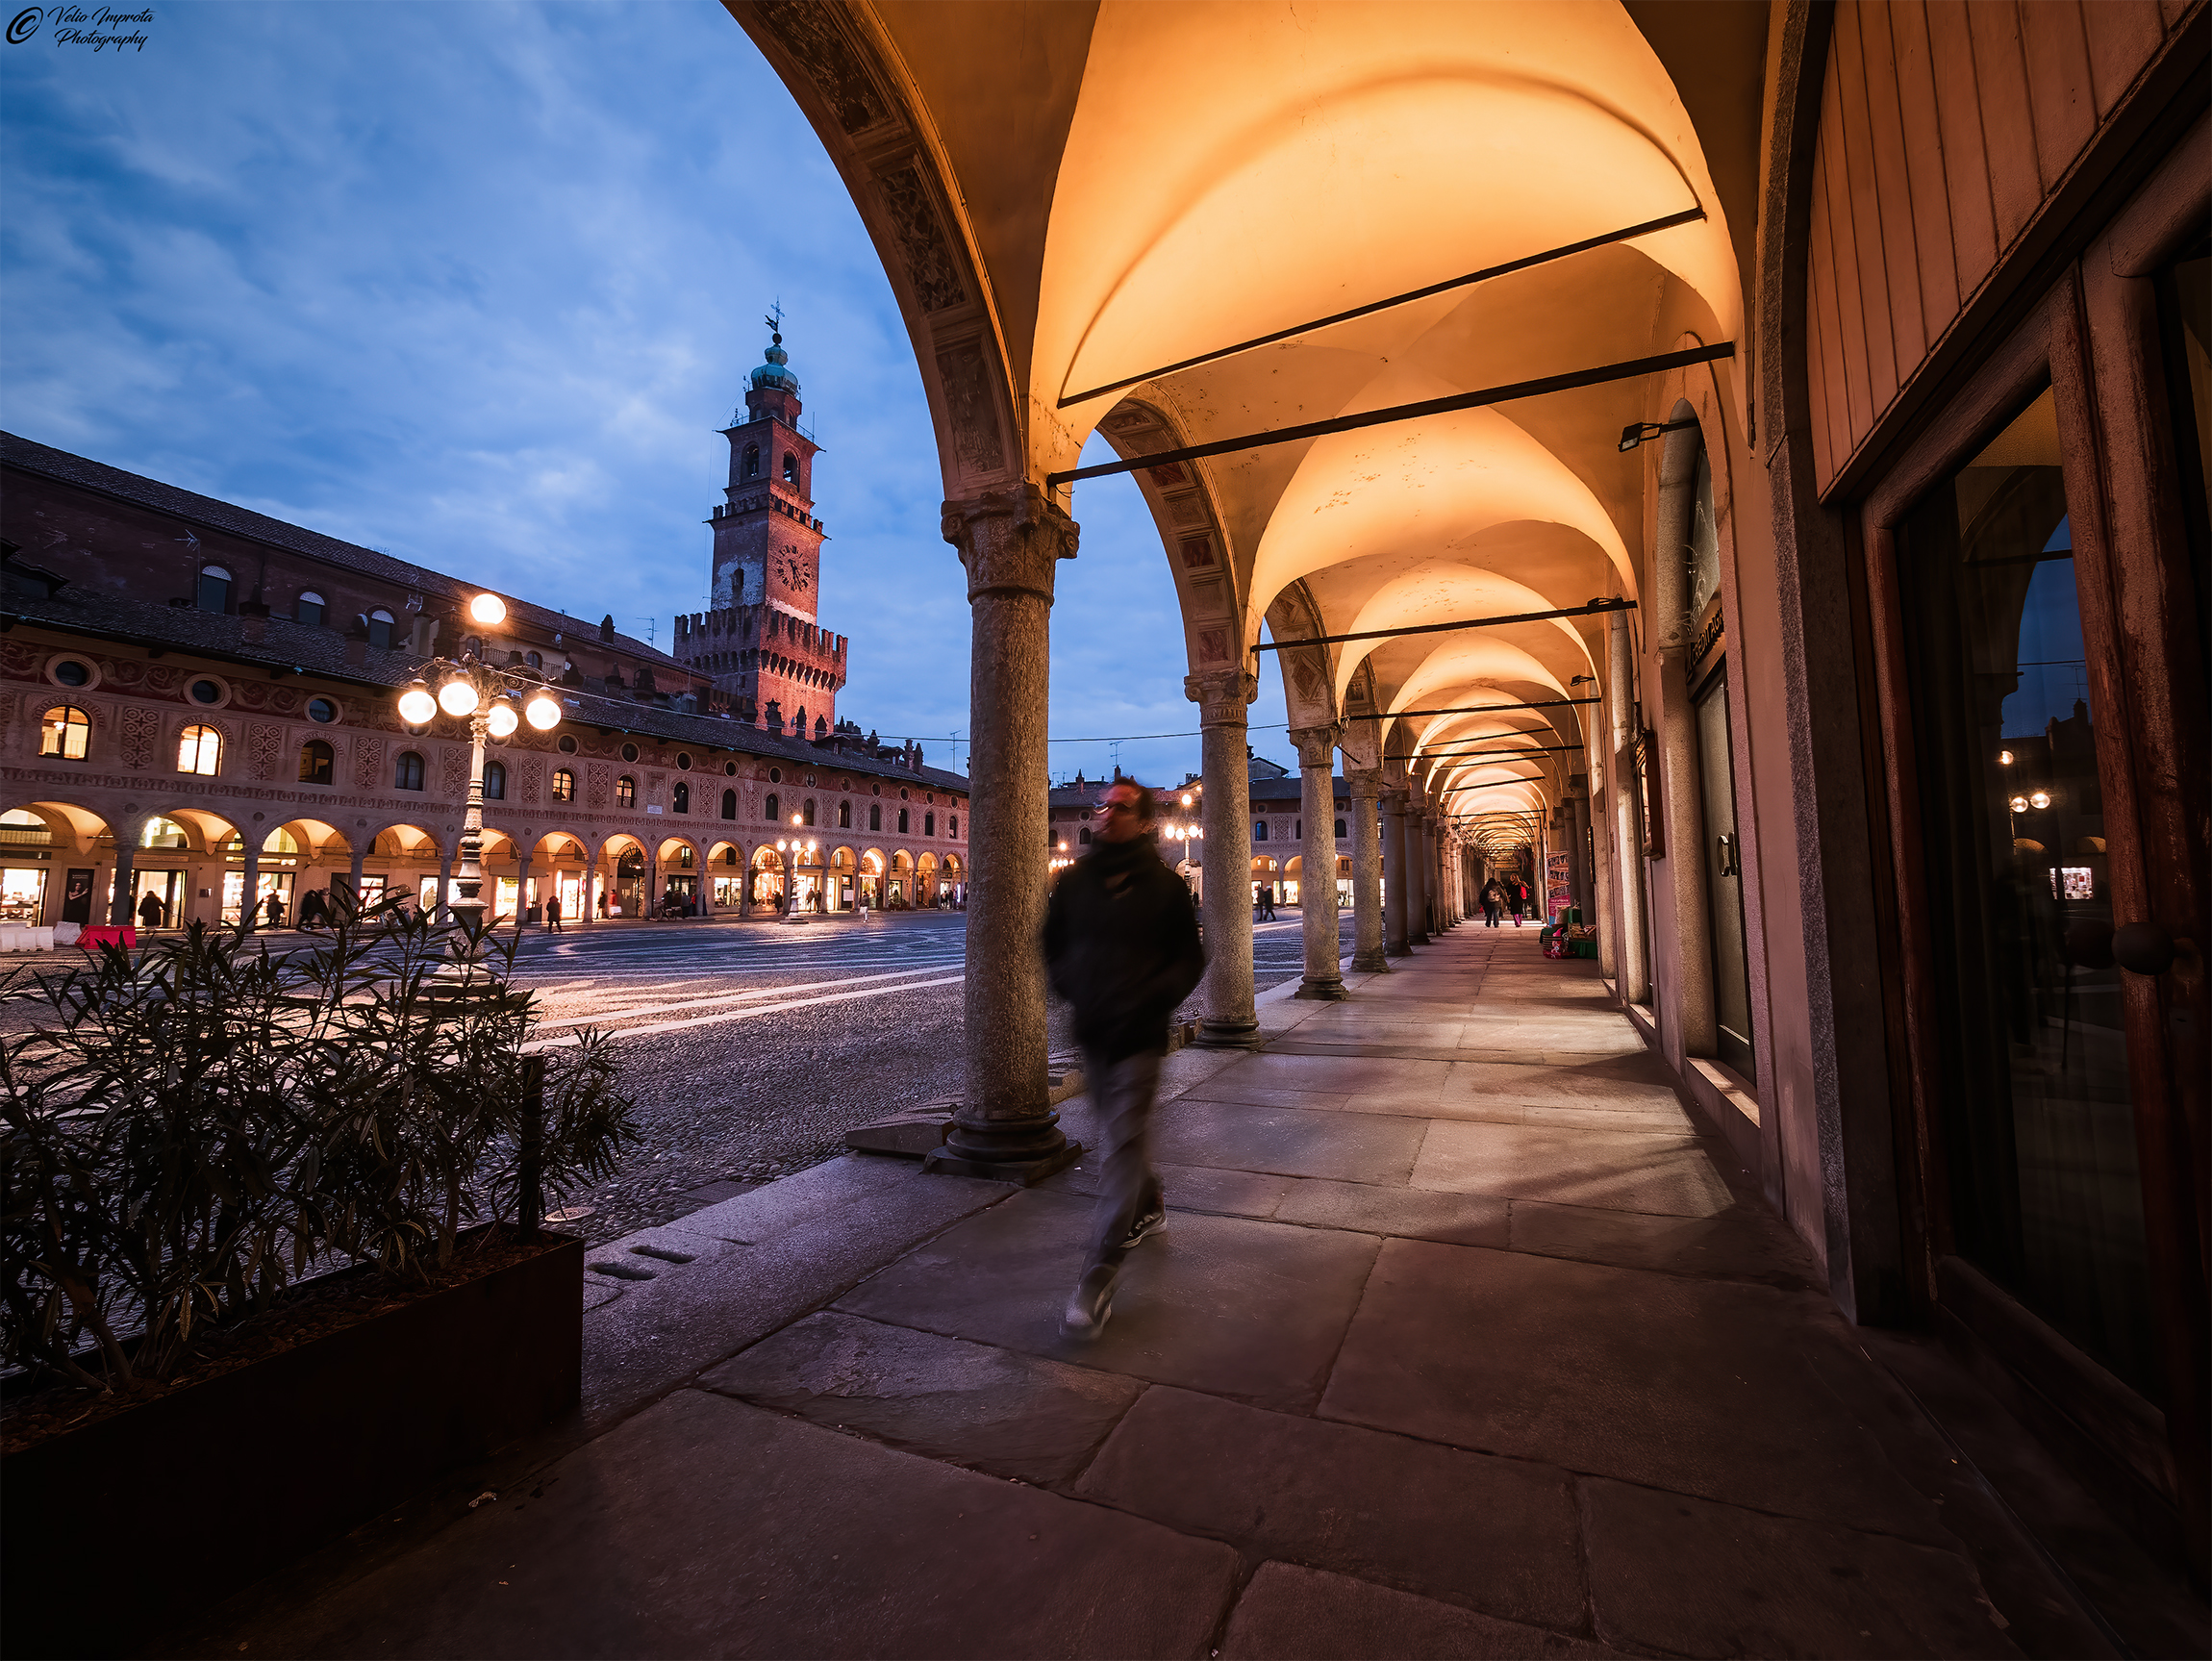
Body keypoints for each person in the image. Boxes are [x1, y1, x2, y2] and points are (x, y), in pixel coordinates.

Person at [1043, 779, 1206, 1339]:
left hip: (1139, 1033)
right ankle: (1150, 1197)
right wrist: (1075, 986)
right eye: (1102, 805)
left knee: (1120, 1143)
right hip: (1094, 1032)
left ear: (1143, 822)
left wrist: (1152, 998)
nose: (1106, 814)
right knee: (1124, 1137)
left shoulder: (1164, 887)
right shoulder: (1077, 882)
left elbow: (1189, 957)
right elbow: (1053, 944)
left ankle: (1098, 1276)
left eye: (1120, 807)